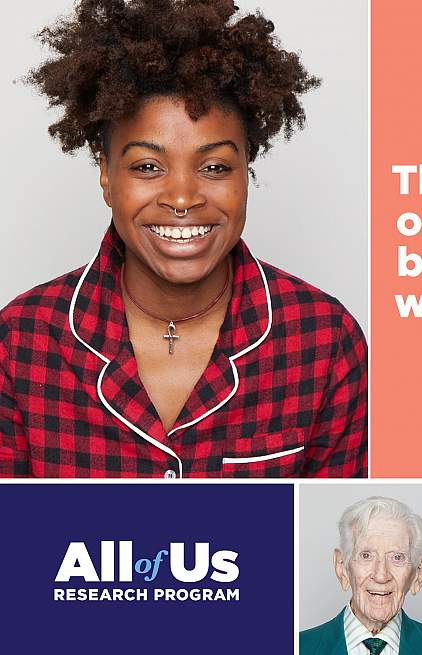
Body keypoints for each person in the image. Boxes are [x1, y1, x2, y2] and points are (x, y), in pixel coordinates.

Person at [0, 0, 366, 478]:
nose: (181, 197)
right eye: (147, 167)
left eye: (214, 167)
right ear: (107, 177)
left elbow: (331, 536)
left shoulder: (324, 339)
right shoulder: (21, 343)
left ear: (246, 175)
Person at [300, 496, 422, 655]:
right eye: (366, 556)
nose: (381, 576)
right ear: (342, 567)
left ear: (419, 572)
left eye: (397, 557)